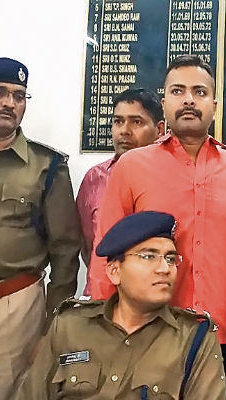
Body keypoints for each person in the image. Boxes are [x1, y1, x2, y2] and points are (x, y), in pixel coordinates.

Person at [87, 55, 226, 399]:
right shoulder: (132, 167)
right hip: (147, 332)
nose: (189, 99)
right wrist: (102, 330)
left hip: (223, 338)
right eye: (178, 91)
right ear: (164, 103)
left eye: (199, 92)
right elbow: (105, 252)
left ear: (215, 106)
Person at [0, 57, 81, 399]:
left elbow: (65, 251)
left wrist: (53, 325)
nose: (10, 103)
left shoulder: (47, 165)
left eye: (19, 96)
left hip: (14, 310)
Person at [14, 211, 226, 399]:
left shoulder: (194, 340)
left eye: (170, 259)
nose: (165, 268)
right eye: (148, 256)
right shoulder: (70, 327)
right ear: (114, 271)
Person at [76, 88, 164, 271]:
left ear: (160, 130)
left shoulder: (171, 178)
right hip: (104, 284)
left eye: (136, 122)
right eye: (118, 121)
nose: (124, 131)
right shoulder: (95, 178)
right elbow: (88, 246)